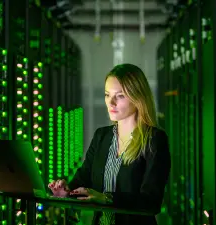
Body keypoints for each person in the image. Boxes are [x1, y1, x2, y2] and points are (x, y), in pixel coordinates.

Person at [48, 63, 171, 225]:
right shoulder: (102, 136)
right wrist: (66, 191)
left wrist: (106, 198)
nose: (110, 102)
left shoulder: (154, 140)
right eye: (107, 94)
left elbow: (151, 202)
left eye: (120, 96)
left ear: (138, 97)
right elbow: (83, 179)